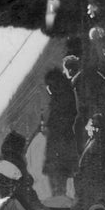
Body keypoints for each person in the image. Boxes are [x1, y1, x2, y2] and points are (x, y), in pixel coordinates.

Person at [40, 67, 79, 198]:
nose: (48, 89)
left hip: (59, 146)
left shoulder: (60, 99)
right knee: (62, 182)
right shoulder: (66, 94)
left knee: (58, 181)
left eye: (50, 85)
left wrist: (49, 127)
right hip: (65, 145)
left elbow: (61, 122)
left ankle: (60, 205)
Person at [74, 112, 105, 210]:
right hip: (91, 190)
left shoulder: (98, 147)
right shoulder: (94, 141)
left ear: (97, 129)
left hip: (94, 192)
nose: (86, 127)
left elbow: (95, 172)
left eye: (90, 125)